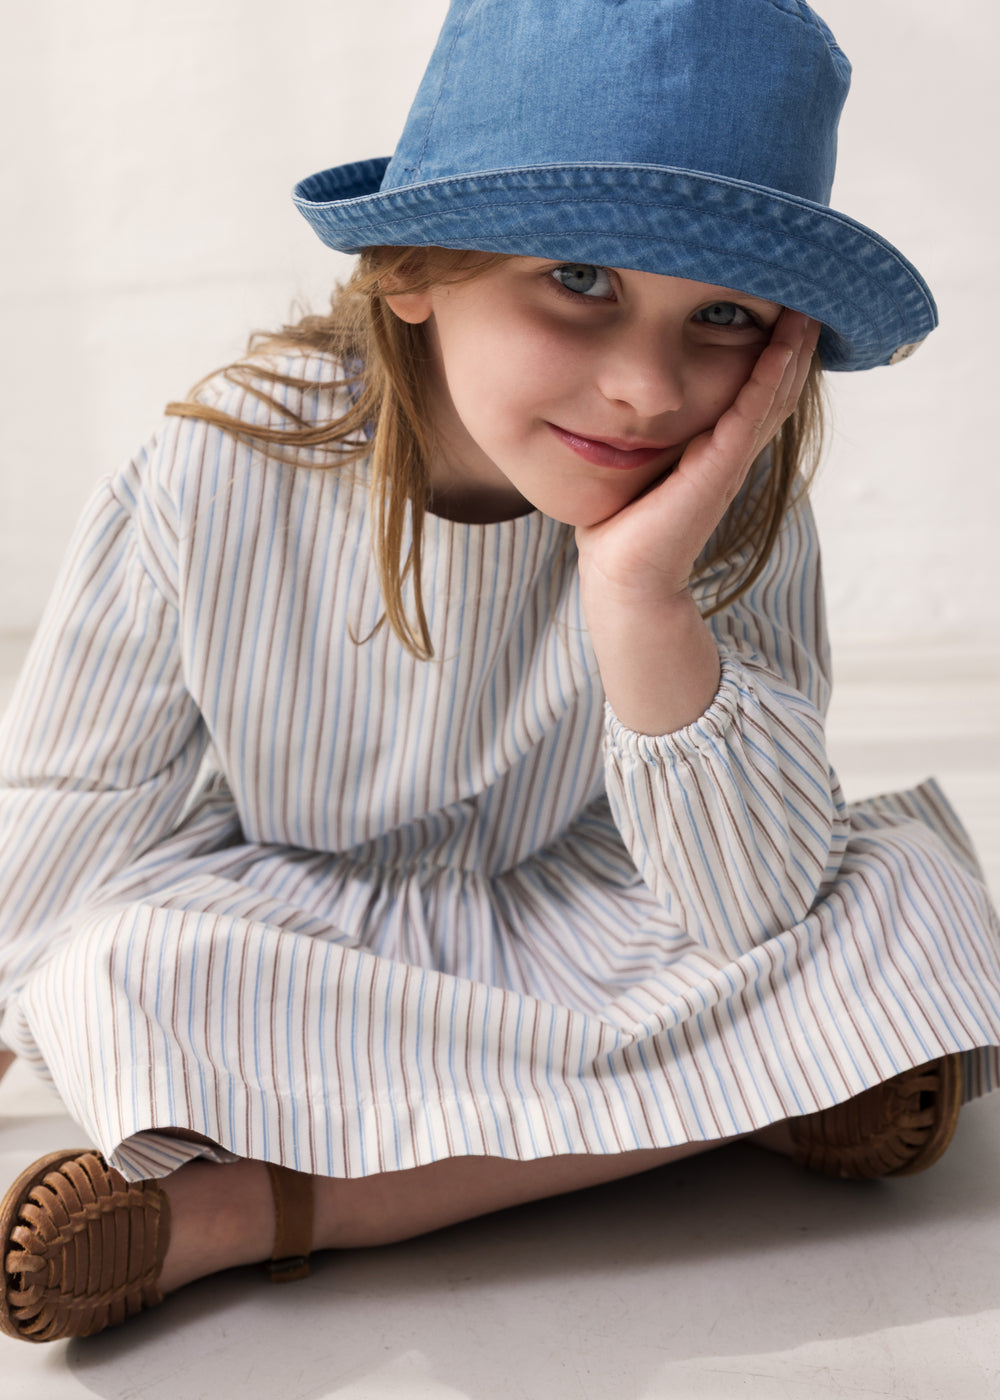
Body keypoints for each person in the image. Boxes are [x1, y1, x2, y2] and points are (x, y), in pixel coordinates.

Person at [1, 0, 998, 1345]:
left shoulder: (725, 503)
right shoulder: (212, 469)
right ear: (414, 269)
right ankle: (754, 1099)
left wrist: (642, 596)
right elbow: (75, 798)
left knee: (909, 890)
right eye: (579, 279)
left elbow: (752, 903)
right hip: (303, 932)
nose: (648, 389)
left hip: (598, 912)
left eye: (720, 314)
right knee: (114, 967)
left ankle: (262, 1206)